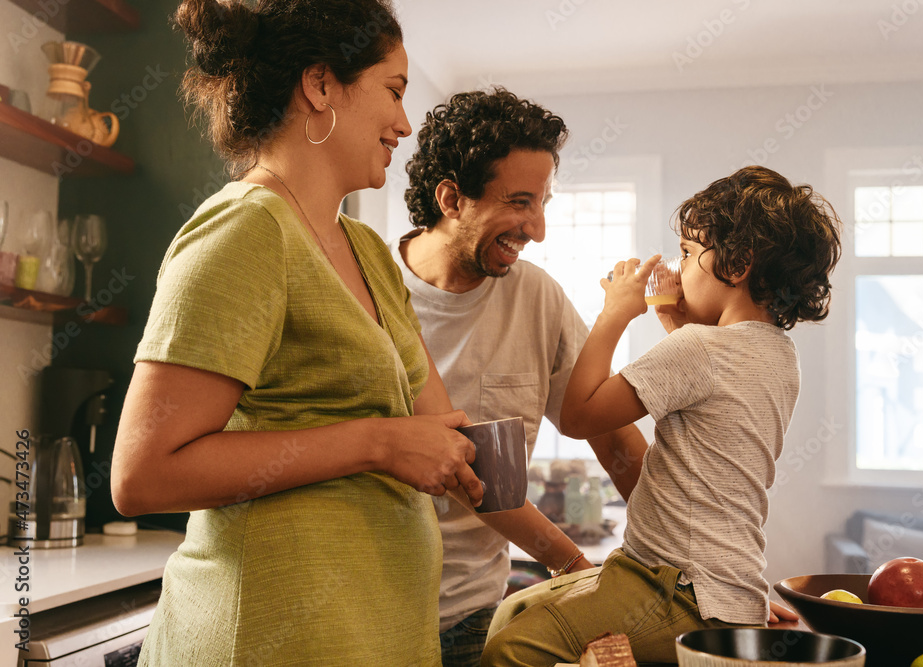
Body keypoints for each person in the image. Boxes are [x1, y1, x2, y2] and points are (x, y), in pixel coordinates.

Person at [111, 1, 485, 664]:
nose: (404, 123)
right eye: (393, 91)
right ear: (319, 85)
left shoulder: (368, 249)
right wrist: (377, 443)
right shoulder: (246, 230)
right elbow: (142, 474)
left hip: (377, 636)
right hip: (265, 635)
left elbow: (429, 424)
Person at [481, 165, 843, 666]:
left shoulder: (700, 348)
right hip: (729, 589)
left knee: (511, 646)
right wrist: (675, 319)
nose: (680, 265)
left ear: (736, 265)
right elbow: (714, 396)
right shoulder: (780, 356)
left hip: (674, 588)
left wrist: (615, 312)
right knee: (517, 608)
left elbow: (580, 416)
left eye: (690, 253)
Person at [392, 87, 649, 667]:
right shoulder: (369, 291)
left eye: (543, 203)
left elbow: (612, 437)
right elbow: (478, 480)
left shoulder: (538, 298)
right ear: (451, 198)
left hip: (473, 614)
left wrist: (695, 557)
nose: (536, 228)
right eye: (518, 201)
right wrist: (576, 568)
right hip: (370, 613)